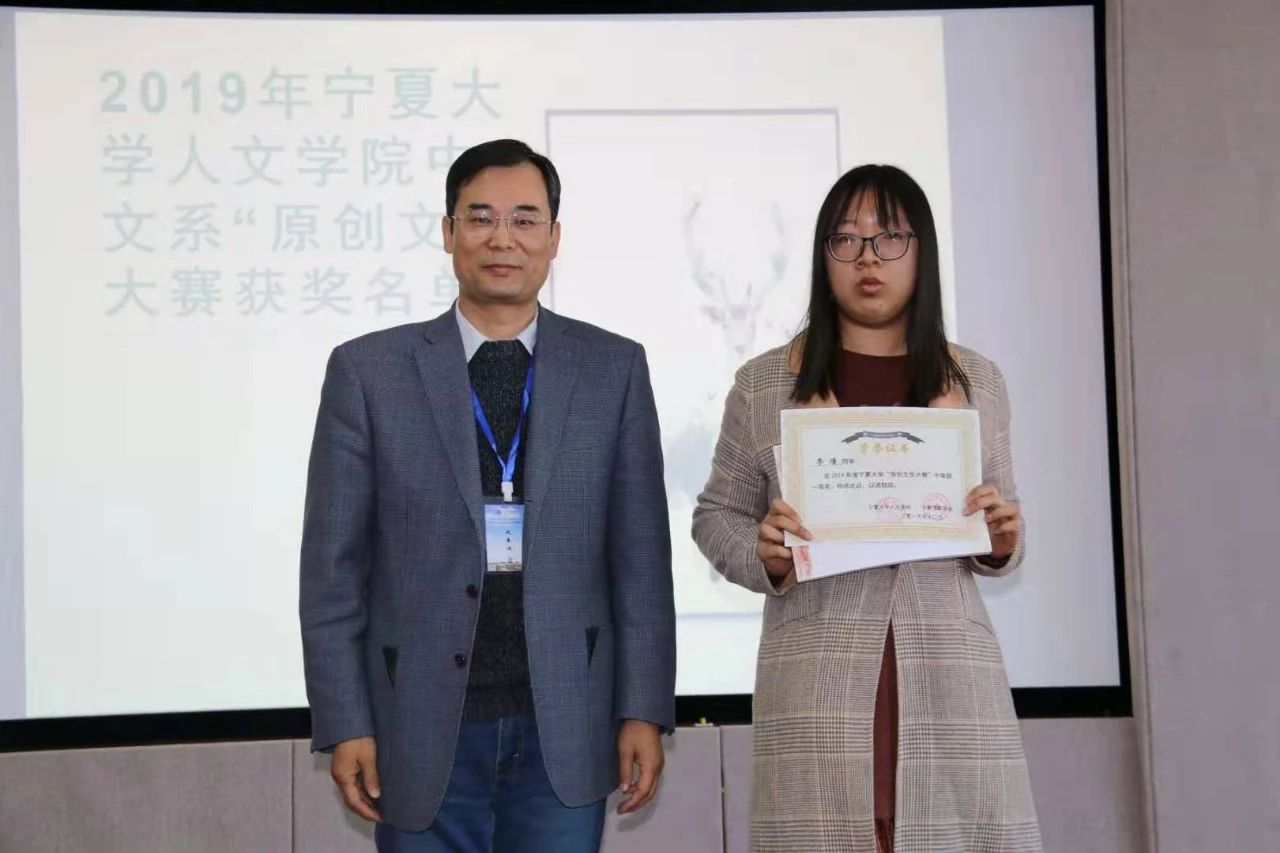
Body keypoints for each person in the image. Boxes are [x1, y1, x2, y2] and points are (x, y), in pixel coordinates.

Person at [300, 139, 676, 853]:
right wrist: (346, 720)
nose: (503, 238)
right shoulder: (369, 372)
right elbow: (331, 574)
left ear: (554, 238)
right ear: (448, 232)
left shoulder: (614, 368)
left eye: (525, 219)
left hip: (566, 723)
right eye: (480, 218)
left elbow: (641, 564)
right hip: (417, 724)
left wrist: (643, 709)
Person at [692, 165, 1042, 853]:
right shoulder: (765, 383)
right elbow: (716, 515)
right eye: (846, 240)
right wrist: (764, 553)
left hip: (948, 675)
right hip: (816, 678)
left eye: (889, 238)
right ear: (823, 258)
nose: (868, 259)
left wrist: (1002, 536)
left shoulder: (975, 379)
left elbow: (1001, 516)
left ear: (922, 253)